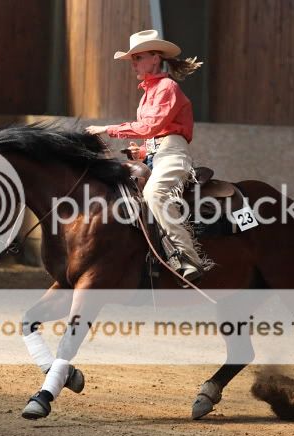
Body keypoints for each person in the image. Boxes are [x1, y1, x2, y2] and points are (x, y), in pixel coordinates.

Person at [86, 29, 210, 283]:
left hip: (172, 153)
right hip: (157, 153)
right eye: (133, 59)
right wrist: (141, 152)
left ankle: (189, 258)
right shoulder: (148, 93)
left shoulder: (167, 87)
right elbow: (154, 133)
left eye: (138, 57)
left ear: (155, 58)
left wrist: (106, 129)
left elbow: (150, 127)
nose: (134, 63)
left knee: (155, 193)